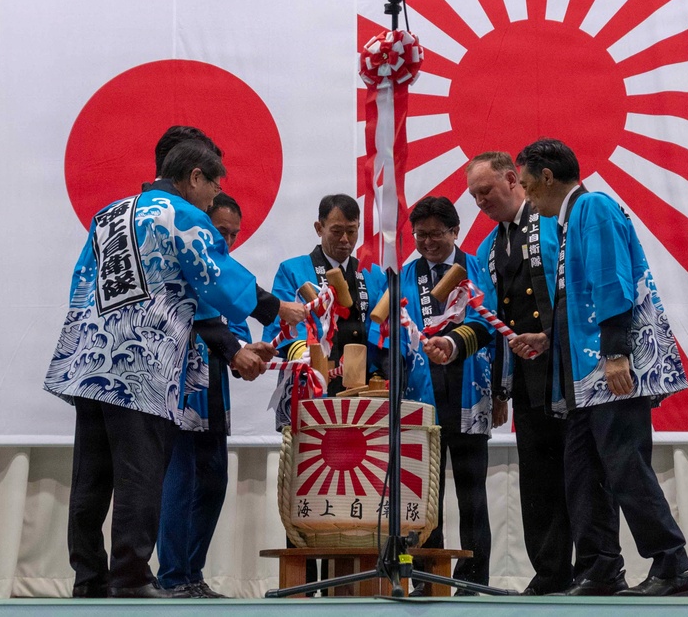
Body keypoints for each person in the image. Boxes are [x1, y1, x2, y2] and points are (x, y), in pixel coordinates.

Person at [44, 131, 297, 599]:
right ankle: (131, 578)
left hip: (89, 357)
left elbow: (81, 280)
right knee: (141, 474)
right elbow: (213, 275)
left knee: (91, 478)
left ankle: (89, 579)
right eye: (214, 188)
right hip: (141, 363)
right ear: (195, 177)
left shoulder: (109, 213)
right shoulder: (181, 214)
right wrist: (273, 308)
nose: (213, 199)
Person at [509, 138, 688, 597]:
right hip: (583, 375)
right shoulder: (570, 218)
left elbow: (611, 281)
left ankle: (674, 566)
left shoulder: (592, 207)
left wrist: (615, 352)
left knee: (626, 468)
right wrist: (549, 338)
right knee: (582, 473)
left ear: (548, 177)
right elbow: (574, 299)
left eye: (526, 180)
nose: (525, 190)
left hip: (609, 367)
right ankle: (600, 567)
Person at [157, 194, 275, 599]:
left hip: (214, 393)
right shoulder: (185, 270)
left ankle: (193, 573)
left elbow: (237, 332)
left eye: (232, 234)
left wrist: (249, 353)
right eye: (219, 231)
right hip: (181, 390)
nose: (225, 239)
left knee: (213, 482)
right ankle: (172, 576)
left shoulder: (229, 278)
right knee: (180, 480)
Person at [466, 152, 573, 595]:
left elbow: (573, 290)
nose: (479, 202)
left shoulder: (552, 222)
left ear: (513, 179)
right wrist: (497, 390)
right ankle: (549, 572)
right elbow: (492, 323)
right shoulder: (488, 249)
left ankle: (593, 567)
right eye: (473, 196)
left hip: (566, 370)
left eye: (485, 191)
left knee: (579, 473)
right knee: (536, 476)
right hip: (525, 379)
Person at [396, 196, 497, 594]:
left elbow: (488, 323)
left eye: (436, 234)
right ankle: (426, 578)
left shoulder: (475, 268)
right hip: (421, 395)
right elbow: (390, 335)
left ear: (455, 231)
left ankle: (474, 579)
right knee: (423, 496)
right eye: (420, 235)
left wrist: (502, 390)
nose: (427, 242)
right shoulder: (405, 276)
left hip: (469, 389)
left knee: (473, 490)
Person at [262, 193, 386, 424]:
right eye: (337, 231)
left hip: (360, 381)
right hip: (310, 376)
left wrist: (379, 369)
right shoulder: (293, 270)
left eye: (352, 230)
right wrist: (305, 356)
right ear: (319, 228)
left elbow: (381, 330)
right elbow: (284, 323)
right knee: (309, 456)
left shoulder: (373, 274)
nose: (345, 239)